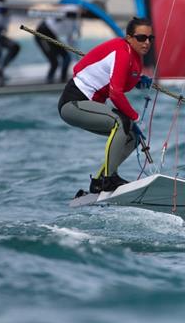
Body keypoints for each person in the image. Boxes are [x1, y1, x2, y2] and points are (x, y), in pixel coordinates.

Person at [57, 16, 155, 193]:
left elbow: (122, 83)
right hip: (73, 103)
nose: (147, 42)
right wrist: (136, 117)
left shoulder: (135, 58)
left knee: (133, 135)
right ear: (129, 38)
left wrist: (138, 80)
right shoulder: (122, 52)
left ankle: (99, 181)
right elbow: (115, 93)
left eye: (150, 38)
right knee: (122, 122)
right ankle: (109, 179)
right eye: (141, 38)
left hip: (87, 105)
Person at [35, 16, 79, 83]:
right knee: (54, 61)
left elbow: (71, 39)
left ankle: (63, 79)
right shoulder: (71, 9)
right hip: (42, 31)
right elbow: (58, 14)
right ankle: (49, 80)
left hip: (52, 35)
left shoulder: (75, 22)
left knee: (67, 57)